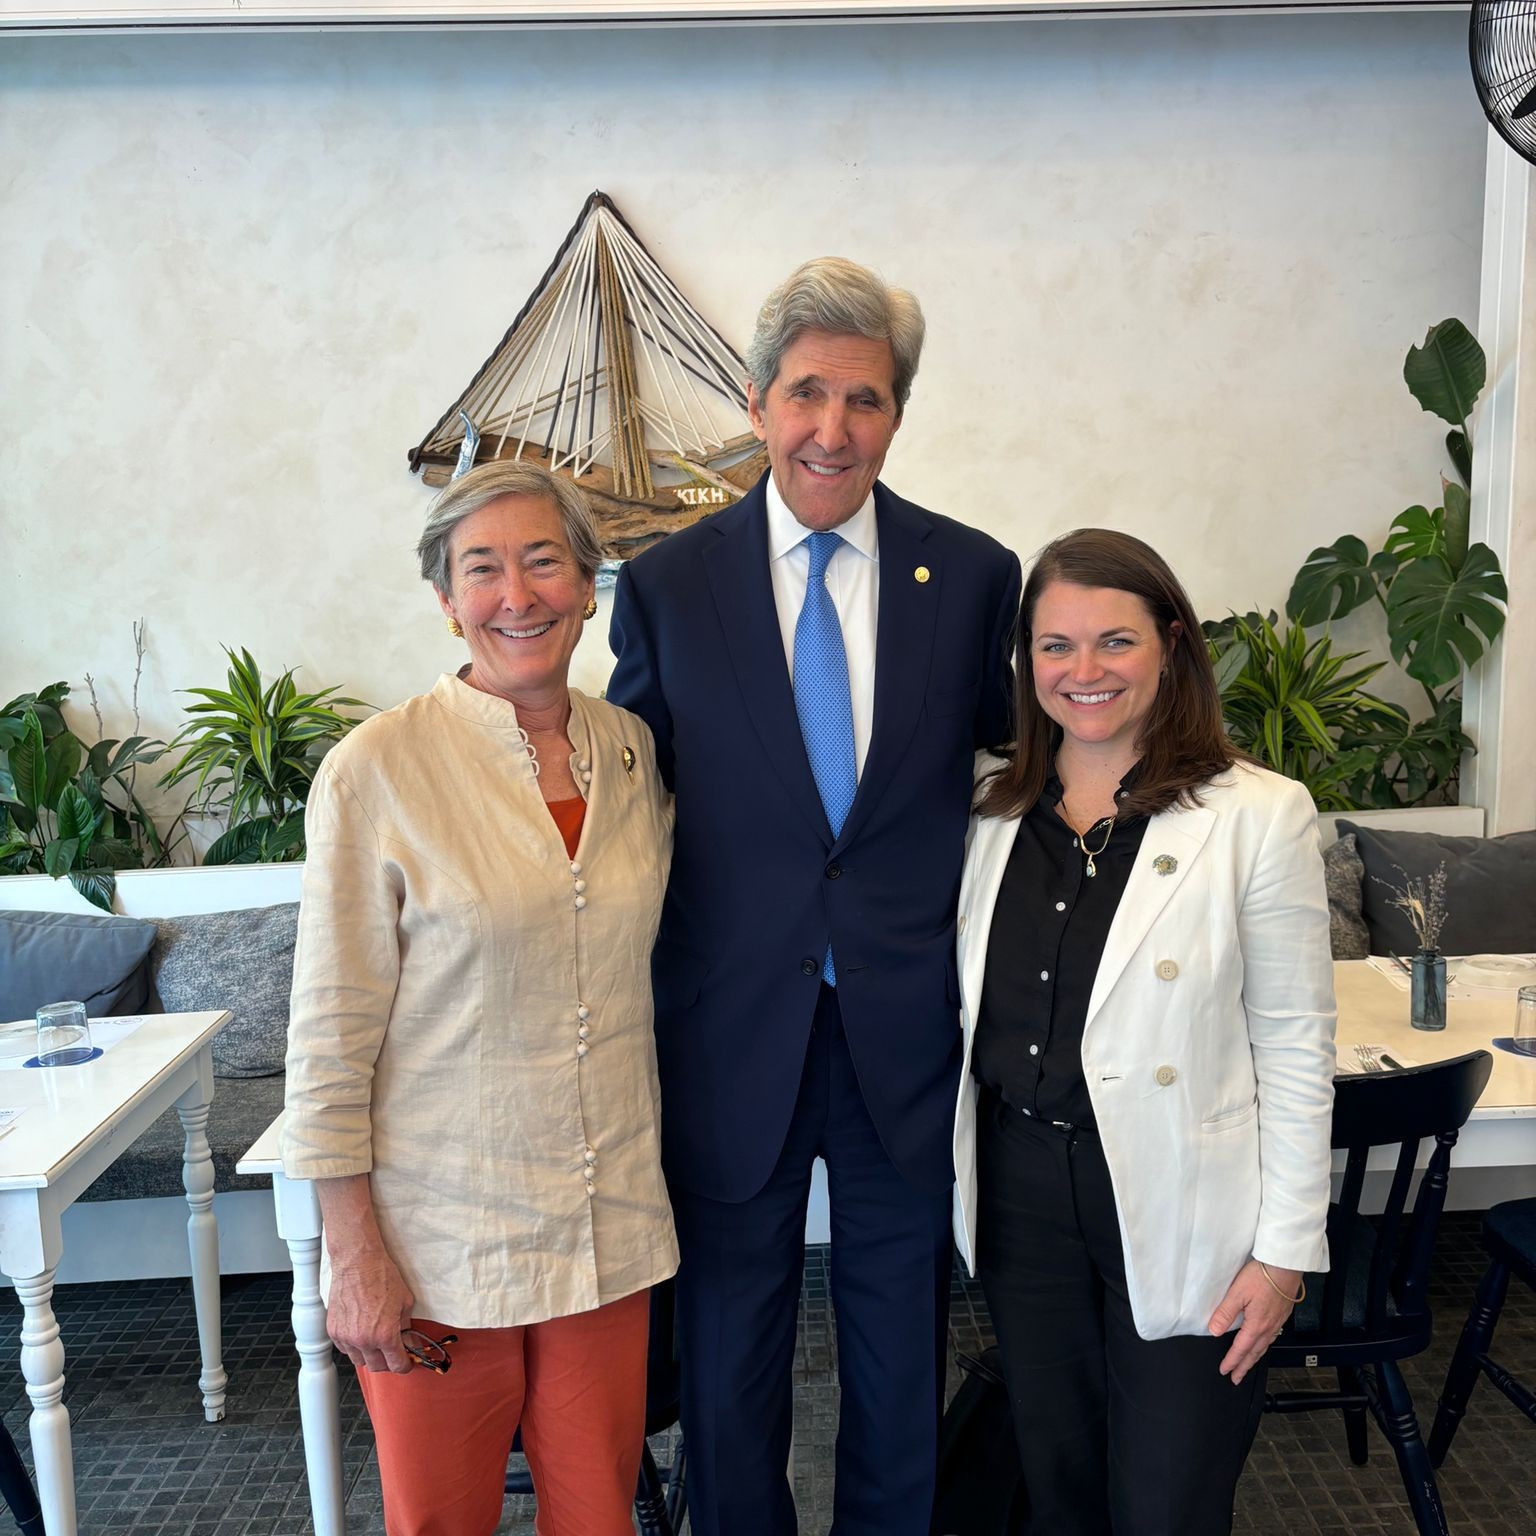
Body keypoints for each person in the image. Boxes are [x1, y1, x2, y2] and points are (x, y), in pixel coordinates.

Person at [607, 256, 1022, 1536]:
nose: (831, 430)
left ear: (899, 414)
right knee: (733, 1345)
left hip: (903, 1025)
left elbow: (1009, 771)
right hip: (731, 1022)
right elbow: (629, 798)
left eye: (865, 400)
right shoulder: (671, 586)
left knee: (900, 1341)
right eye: (805, 395)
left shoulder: (972, 577)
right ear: (755, 402)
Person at [281, 459, 677, 1536]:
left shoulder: (632, 752)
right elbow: (328, 1037)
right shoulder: (377, 770)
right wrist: (351, 1250)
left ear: (590, 587)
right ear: (447, 600)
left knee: (599, 1518)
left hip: (609, 1234)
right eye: (484, 570)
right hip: (440, 1250)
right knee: (438, 1522)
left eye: (545, 562)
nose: (519, 595)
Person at [952, 528, 1337, 1536]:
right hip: (1022, 1194)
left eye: (1114, 641)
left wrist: (1285, 1251)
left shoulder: (1258, 815)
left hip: (1182, 1198)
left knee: (1169, 1499)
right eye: (1055, 645)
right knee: (1061, 1478)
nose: (1084, 671)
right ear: (1025, 660)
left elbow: (1296, 1044)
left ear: (1171, 642)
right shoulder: (990, 810)